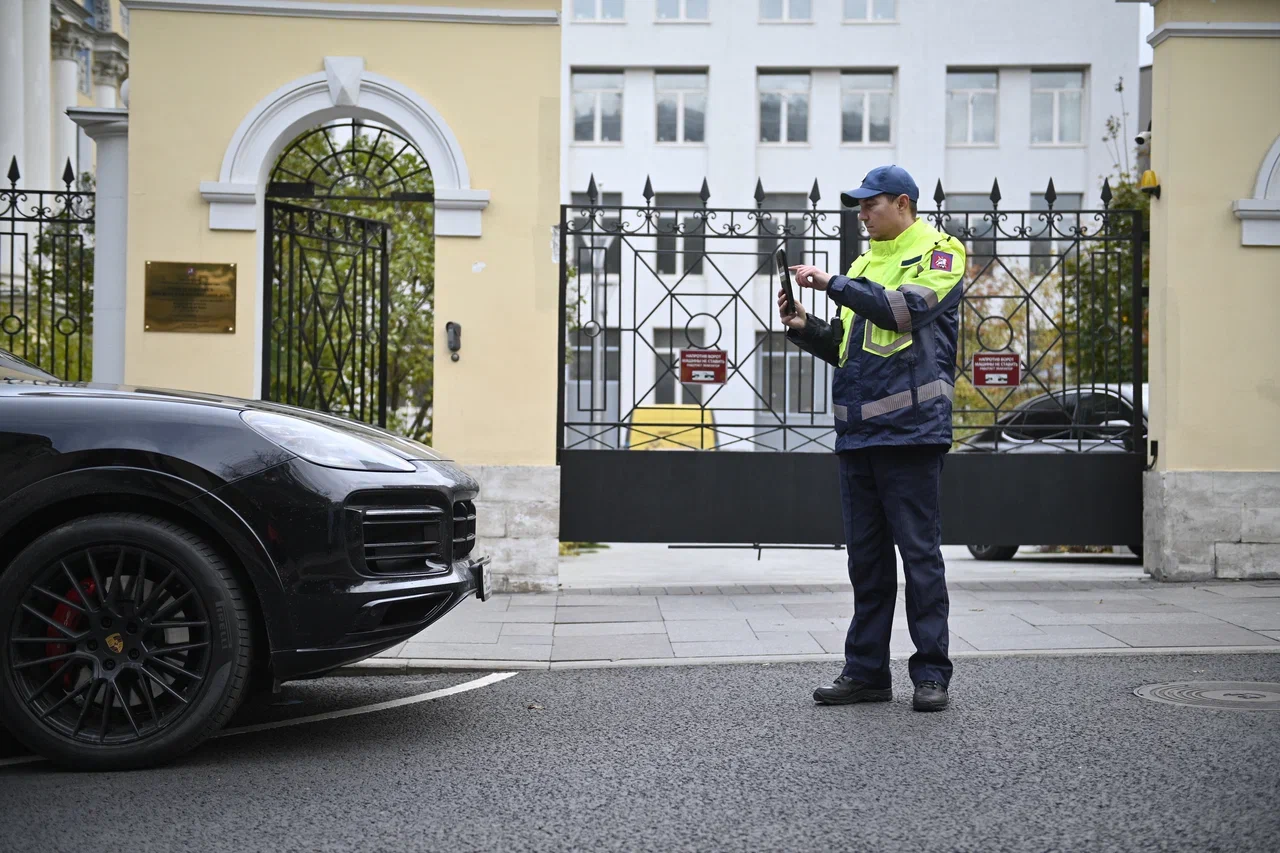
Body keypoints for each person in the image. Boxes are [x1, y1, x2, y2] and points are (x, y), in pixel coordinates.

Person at [779, 165, 965, 712]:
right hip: (858, 435)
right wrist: (807, 327)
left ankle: (931, 674)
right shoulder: (865, 261)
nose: (861, 214)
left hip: (911, 434)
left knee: (919, 557)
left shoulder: (940, 251)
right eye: (859, 207)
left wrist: (832, 282)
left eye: (870, 205)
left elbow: (903, 311)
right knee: (866, 562)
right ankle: (866, 674)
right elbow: (849, 347)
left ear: (903, 203)